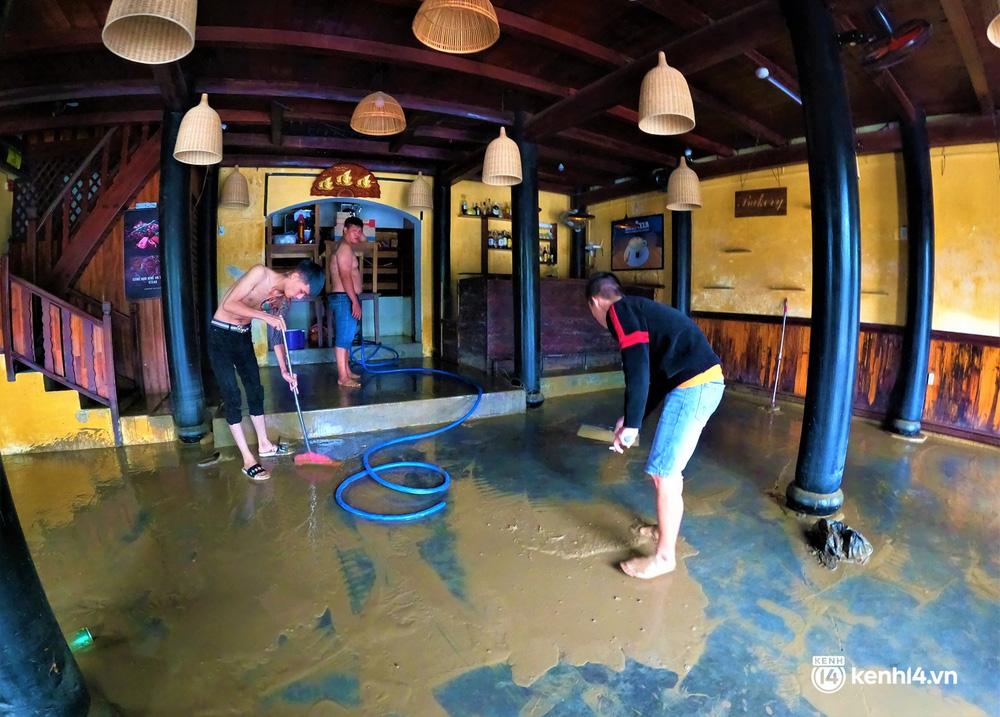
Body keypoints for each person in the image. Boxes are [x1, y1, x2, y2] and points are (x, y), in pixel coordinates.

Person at [586, 272, 725, 579]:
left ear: (595, 302)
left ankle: (664, 558)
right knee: (666, 471)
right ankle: (664, 530)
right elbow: (657, 379)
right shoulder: (637, 310)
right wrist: (631, 419)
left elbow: (637, 370)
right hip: (698, 383)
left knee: (664, 473)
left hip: (695, 386)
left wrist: (633, 424)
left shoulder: (619, 311)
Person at [208, 259, 325, 481]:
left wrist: (284, 370)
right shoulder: (260, 274)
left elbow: (277, 336)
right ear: (295, 276)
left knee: (255, 391)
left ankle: (264, 444)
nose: (300, 297)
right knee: (232, 395)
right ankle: (248, 459)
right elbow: (229, 305)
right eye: (302, 291)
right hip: (221, 334)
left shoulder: (283, 301)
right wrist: (265, 316)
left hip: (243, 336)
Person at [328, 216, 366, 387]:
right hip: (345, 297)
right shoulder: (344, 248)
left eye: (360, 231)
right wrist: (354, 301)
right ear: (344, 230)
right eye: (354, 231)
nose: (357, 234)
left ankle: (346, 371)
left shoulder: (345, 246)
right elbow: (345, 276)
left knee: (347, 336)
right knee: (344, 337)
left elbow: (365, 243)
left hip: (345, 297)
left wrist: (359, 234)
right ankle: (342, 377)